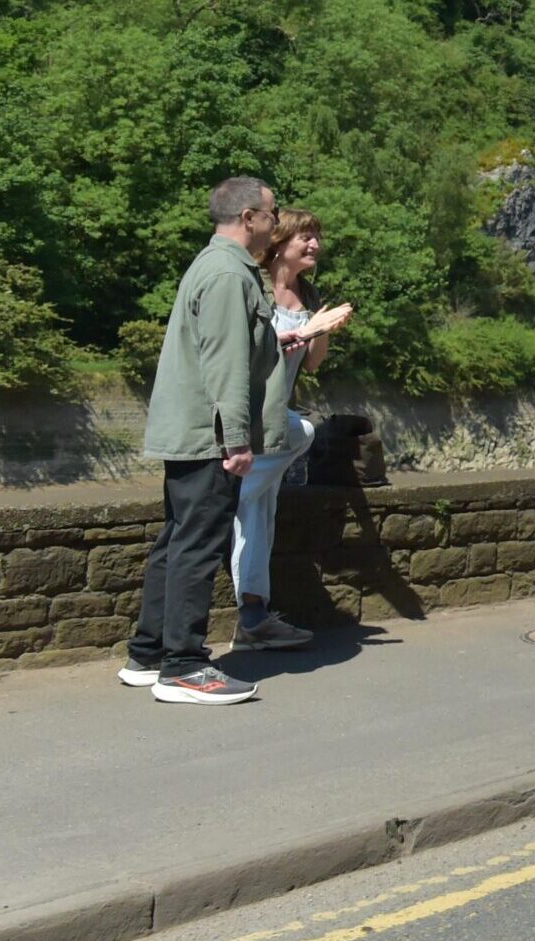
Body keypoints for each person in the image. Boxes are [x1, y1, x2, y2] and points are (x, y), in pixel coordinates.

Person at [124, 177, 288, 705]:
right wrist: (236, 440)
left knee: (177, 544)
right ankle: (185, 667)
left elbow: (229, 345)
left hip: (192, 433)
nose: (276, 222)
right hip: (209, 437)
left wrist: (273, 339)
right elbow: (224, 364)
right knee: (197, 546)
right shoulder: (226, 274)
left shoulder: (216, 267)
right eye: (272, 212)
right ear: (248, 218)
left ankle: (149, 655)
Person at [228, 207, 353, 653]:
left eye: (317, 236)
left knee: (258, 512)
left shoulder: (310, 294)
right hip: (249, 415)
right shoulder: (253, 288)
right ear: (280, 242)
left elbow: (313, 364)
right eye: (306, 236)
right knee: (302, 435)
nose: (315, 244)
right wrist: (310, 328)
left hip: (275, 416)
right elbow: (248, 358)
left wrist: (322, 329)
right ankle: (226, 498)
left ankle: (254, 615)